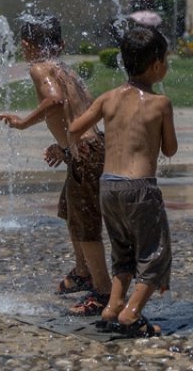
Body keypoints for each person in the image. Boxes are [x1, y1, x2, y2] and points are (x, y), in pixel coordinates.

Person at [0, 15, 112, 317]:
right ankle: (83, 271)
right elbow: (79, 109)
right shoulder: (65, 69)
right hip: (89, 148)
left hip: (85, 153)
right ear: (60, 44)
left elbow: (56, 101)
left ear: (25, 45)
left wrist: (22, 123)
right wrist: (65, 146)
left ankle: (102, 291)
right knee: (71, 210)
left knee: (85, 223)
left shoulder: (40, 68)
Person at [69, 25, 178, 338]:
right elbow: (170, 149)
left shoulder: (108, 99)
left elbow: (76, 127)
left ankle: (112, 308)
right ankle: (132, 313)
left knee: (123, 253)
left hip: (109, 186)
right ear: (156, 64)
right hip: (141, 189)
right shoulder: (160, 103)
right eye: (166, 60)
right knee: (154, 255)